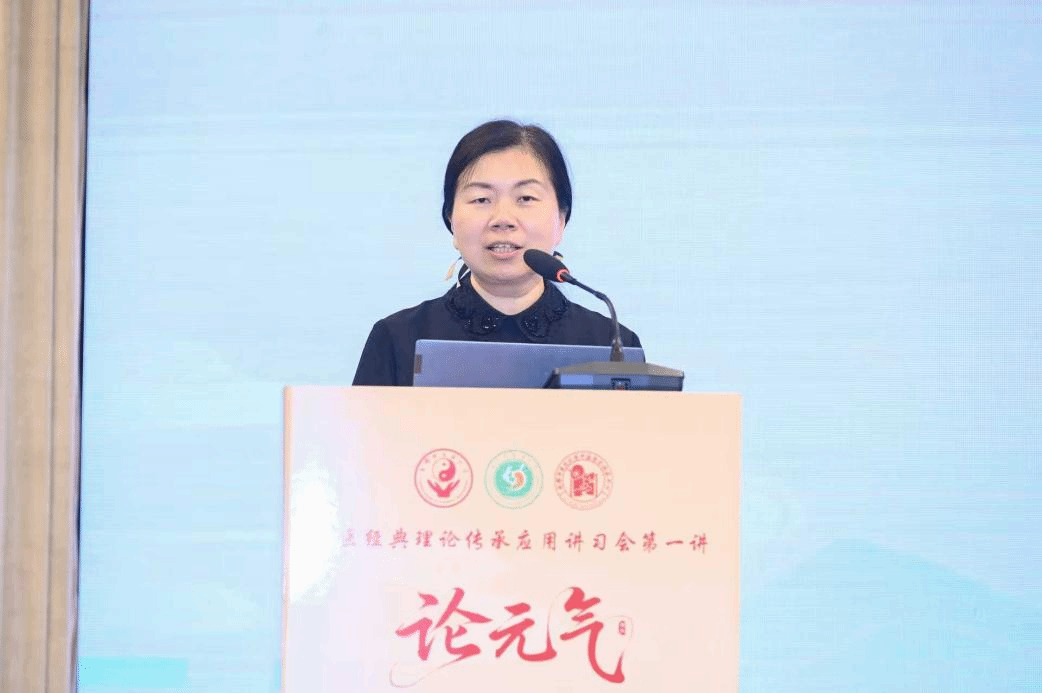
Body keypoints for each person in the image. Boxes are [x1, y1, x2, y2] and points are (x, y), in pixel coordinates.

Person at [352, 119, 641, 386]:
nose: (503, 219)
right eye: (481, 199)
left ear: (561, 221)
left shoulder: (612, 346)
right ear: (451, 220)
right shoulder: (398, 341)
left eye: (525, 198)